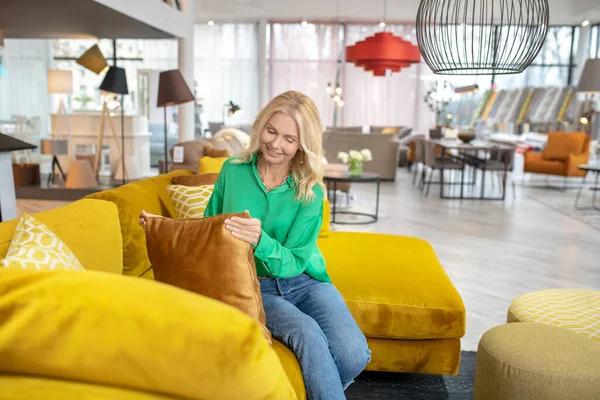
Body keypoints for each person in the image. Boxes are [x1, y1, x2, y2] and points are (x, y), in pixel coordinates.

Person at [141, 91, 370, 399]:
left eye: (289, 139)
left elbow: (294, 262)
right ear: (261, 125)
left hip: (304, 282)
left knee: (353, 353)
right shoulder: (233, 171)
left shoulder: (310, 191)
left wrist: (261, 240)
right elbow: (208, 230)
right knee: (307, 334)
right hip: (252, 284)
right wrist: (161, 227)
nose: (276, 144)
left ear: (303, 144)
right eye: (271, 131)